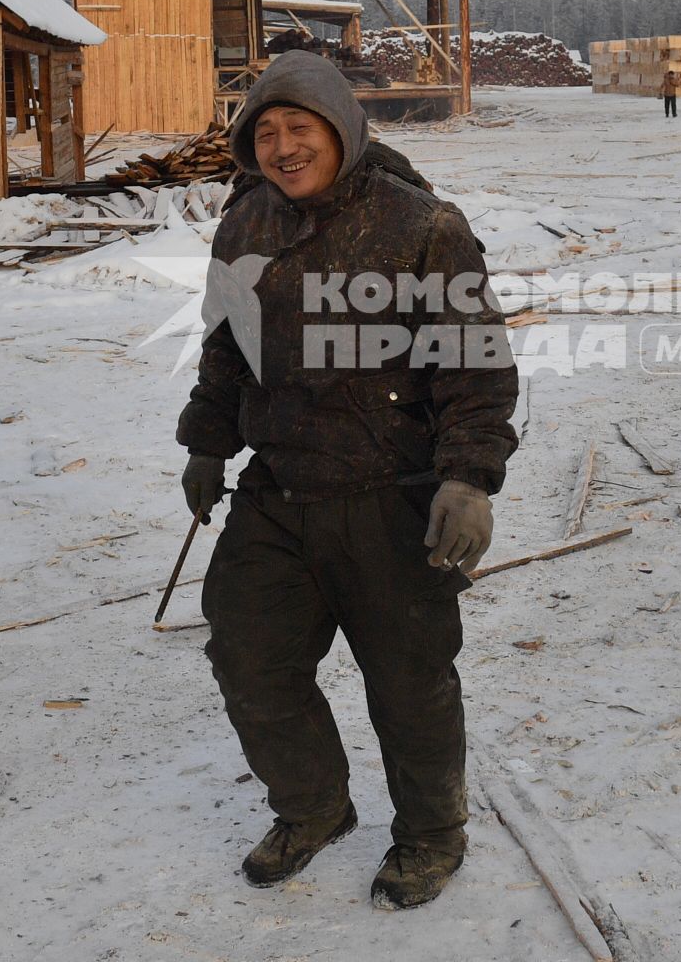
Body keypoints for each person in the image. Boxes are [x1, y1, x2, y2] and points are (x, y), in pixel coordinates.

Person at [177, 50, 519, 910]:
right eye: (267, 133)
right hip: (279, 487)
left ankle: (432, 833)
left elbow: (475, 364)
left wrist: (467, 479)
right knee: (249, 652)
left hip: (388, 493)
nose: (285, 147)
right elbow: (227, 347)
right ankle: (314, 807)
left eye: (301, 128)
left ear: (341, 130)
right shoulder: (244, 224)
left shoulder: (422, 225)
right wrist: (208, 442)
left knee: (408, 682)